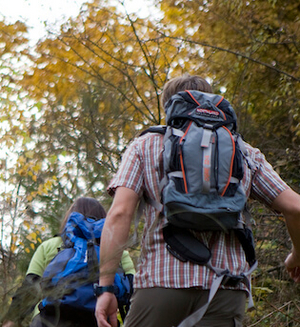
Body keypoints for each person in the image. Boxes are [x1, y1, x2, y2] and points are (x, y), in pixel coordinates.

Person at [94, 74, 300, 327]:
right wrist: (296, 255)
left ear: (169, 107)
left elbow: (119, 214)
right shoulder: (244, 152)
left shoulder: (145, 146)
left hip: (161, 283)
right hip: (225, 290)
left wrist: (106, 288)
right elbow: (296, 208)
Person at [2, 197, 135, 327]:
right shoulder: (117, 251)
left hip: (50, 320)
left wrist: (10, 321)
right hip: (99, 319)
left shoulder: (49, 246)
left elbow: (30, 287)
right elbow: (132, 292)